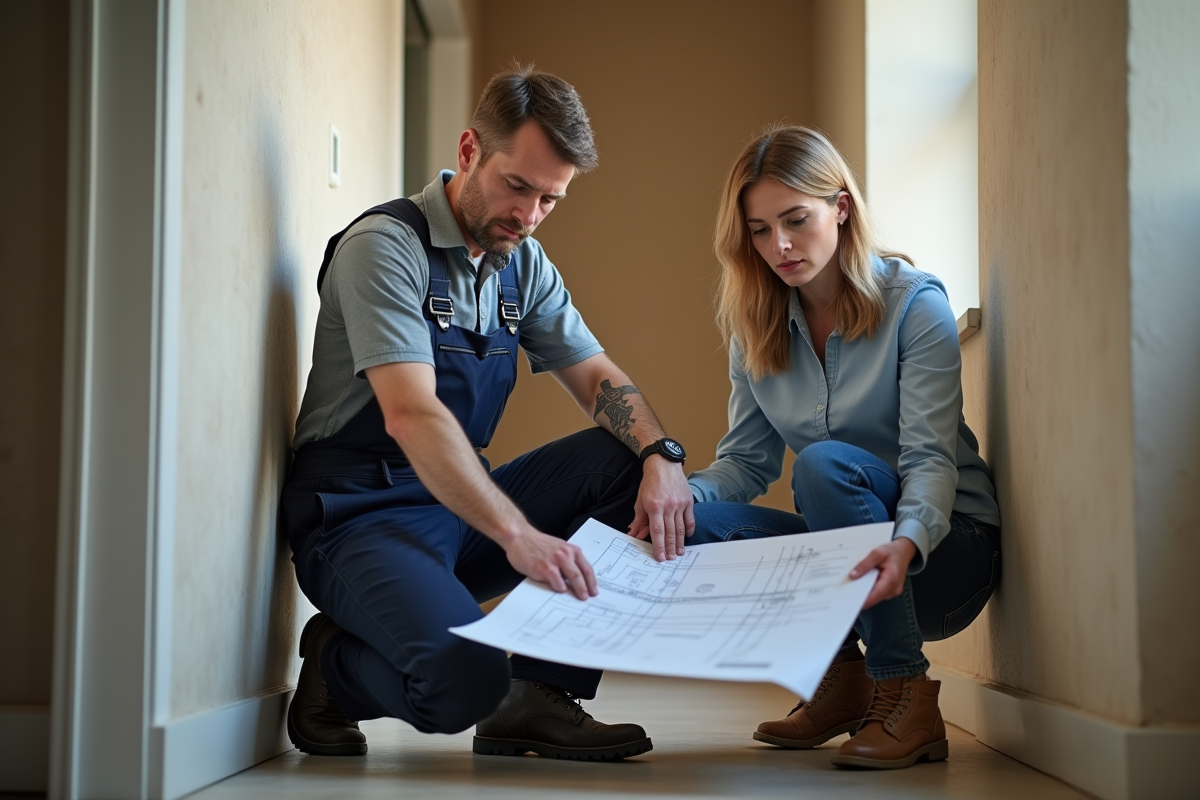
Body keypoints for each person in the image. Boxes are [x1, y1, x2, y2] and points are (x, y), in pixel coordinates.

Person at [279, 66, 694, 763]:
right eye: (517, 186)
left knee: (622, 460)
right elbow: (411, 414)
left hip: (457, 509)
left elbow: (597, 378)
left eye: (550, 200)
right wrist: (517, 537)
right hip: (357, 516)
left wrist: (663, 456)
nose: (529, 216)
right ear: (470, 150)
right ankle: (335, 667)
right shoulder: (383, 248)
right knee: (465, 683)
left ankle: (535, 697)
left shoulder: (521, 264)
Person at [685, 125, 1002, 770]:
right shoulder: (756, 330)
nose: (780, 245)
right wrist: (672, 496)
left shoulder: (915, 303)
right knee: (687, 525)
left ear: (842, 207)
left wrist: (906, 540)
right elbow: (745, 464)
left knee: (825, 467)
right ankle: (843, 682)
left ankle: (903, 691)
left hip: (946, 552)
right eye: (759, 229)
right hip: (855, 561)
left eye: (796, 220)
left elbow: (929, 459)